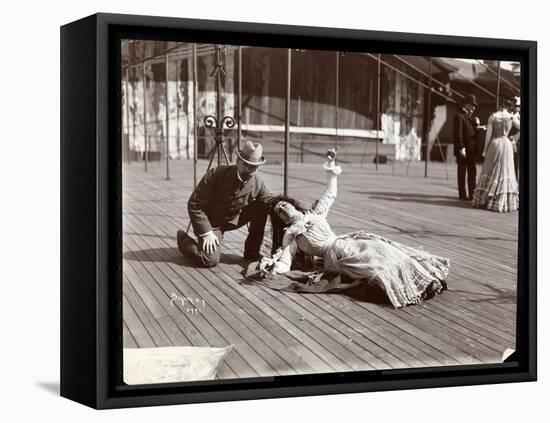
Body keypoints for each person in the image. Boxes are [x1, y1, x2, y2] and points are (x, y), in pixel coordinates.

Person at [256, 149, 450, 309]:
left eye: (284, 205)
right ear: (281, 220)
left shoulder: (315, 214)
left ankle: (426, 279)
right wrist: (273, 269)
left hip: (347, 242)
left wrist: (331, 165)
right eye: (279, 211)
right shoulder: (291, 236)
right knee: (374, 266)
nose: (283, 209)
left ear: (292, 205)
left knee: (384, 250)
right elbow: (285, 261)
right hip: (336, 257)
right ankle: (410, 288)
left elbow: (330, 193)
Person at [177, 141, 273, 267]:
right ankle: (183, 240)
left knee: (263, 207)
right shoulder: (216, 174)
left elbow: (271, 202)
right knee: (210, 260)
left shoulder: (257, 182)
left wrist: (294, 213)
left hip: (234, 219)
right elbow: (195, 205)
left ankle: (252, 252)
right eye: (245, 164)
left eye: (253, 167)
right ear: (238, 161)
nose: (249, 170)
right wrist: (206, 232)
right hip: (212, 223)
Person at [471, 99, 520, 212]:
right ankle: (502, 201)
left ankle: (486, 198)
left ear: (500, 104)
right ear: (510, 106)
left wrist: (484, 149)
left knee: (491, 169)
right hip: (507, 144)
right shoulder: (511, 117)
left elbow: (488, 136)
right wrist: (515, 137)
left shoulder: (493, 116)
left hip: (495, 143)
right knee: (505, 170)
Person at [453, 94, 483, 200]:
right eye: (472, 105)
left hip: (471, 149)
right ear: (466, 105)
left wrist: (477, 125)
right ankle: (462, 194)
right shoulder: (460, 116)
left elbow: (473, 133)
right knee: (462, 171)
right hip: (464, 148)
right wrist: (461, 147)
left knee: (472, 171)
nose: (474, 108)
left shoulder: (471, 117)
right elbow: (458, 134)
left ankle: (472, 193)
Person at [508, 96, 521, 179]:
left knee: (515, 163)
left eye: (517, 106)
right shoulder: (510, 115)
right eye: (514, 105)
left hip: (516, 142)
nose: (514, 107)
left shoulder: (518, 117)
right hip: (510, 142)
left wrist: (515, 138)